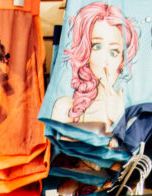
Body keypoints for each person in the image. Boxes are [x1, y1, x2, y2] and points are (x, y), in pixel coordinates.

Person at [51, 2, 139, 131]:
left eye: (114, 52)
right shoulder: (66, 107)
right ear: (86, 52)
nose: (105, 60)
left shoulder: (130, 109)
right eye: (97, 46)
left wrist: (119, 119)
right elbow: (62, 147)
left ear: (122, 60)